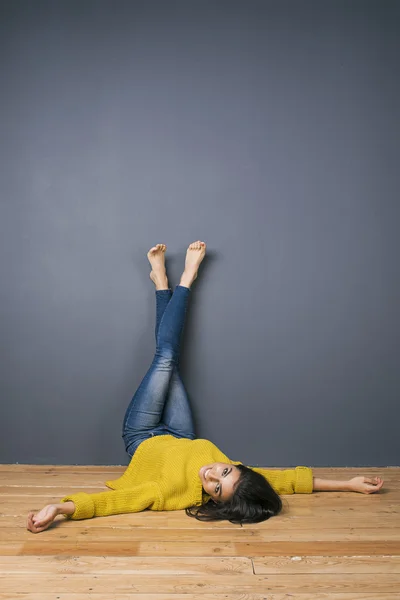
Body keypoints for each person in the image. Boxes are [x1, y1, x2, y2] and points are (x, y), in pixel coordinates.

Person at [27, 241, 384, 534]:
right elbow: (288, 481)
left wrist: (59, 507)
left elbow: (113, 503)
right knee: (169, 358)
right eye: (225, 472)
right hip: (181, 433)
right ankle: (162, 283)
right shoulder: (234, 468)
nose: (212, 473)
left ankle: (183, 280)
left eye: (216, 486)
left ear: (213, 501)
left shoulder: (172, 494)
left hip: (143, 436)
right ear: (237, 468)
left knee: (165, 356)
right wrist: (348, 484)